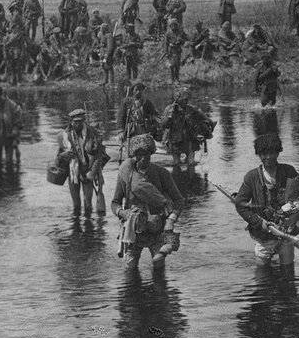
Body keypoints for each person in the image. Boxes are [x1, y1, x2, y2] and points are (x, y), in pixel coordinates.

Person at [233, 132, 299, 266]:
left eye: (272, 152)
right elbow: (240, 204)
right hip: (263, 236)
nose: (268, 157)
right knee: (262, 274)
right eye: (264, 153)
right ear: (259, 155)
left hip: (287, 234)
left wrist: (298, 216)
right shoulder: (251, 177)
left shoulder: (288, 171)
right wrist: (259, 223)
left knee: (288, 272)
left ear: (278, 153)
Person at [111, 134, 186, 268]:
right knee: (130, 272)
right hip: (133, 232)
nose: (144, 158)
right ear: (135, 155)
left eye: (147, 154)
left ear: (152, 154)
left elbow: (179, 200)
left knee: (159, 267)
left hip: (156, 230)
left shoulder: (162, 174)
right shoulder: (126, 175)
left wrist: (171, 220)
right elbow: (114, 203)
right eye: (140, 154)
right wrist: (123, 213)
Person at [56, 108, 109, 216]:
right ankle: (76, 230)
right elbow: (58, 159)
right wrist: (63, 155)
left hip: (87, 171)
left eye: (80, 121)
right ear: (71, 122)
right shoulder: (65, 136)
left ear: (83, 120)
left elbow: (98, 156)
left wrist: (92, 173)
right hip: (73, 173)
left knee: (88, 204)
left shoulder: (92, 134)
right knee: (76, 205)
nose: (78, 124)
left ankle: (89, 230)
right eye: (75, 122)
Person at [159, 89, 214, 166]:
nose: (186, 101)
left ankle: (191, 176)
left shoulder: (192, 109)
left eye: (187, 99)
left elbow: (204, 117)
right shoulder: (169, 109)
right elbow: (163, 125)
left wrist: (209, 123)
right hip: (175, 139)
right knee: (176, 163)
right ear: (177, 100)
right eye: (184, 99)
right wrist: (170, 115)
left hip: (190, 139)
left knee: (191, 163)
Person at [119, 81, 159, 148]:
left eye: (140, 90)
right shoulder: (127, 102)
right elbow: (121, 117)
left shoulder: (146, 103)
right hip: (131, 130)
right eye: (136, 90)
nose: (138, 91)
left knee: (144, 149)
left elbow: (155, 115)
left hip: (144, 130)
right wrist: (121, 131)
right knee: (132, 150)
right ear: (133, 91)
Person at [163, 17, 188, 82]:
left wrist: (180, 41)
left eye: (174, 25)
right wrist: (166, 52)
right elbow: (165, 44)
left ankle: (177, 79)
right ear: (170, 26)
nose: (173, 26)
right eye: (172, 25)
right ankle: (172, 79)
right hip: (170, 51)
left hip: (177, 51)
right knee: (171, 66)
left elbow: (184, 41)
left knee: (177, 65)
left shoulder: (180, 32)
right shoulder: (168, 33)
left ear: (176, 25)